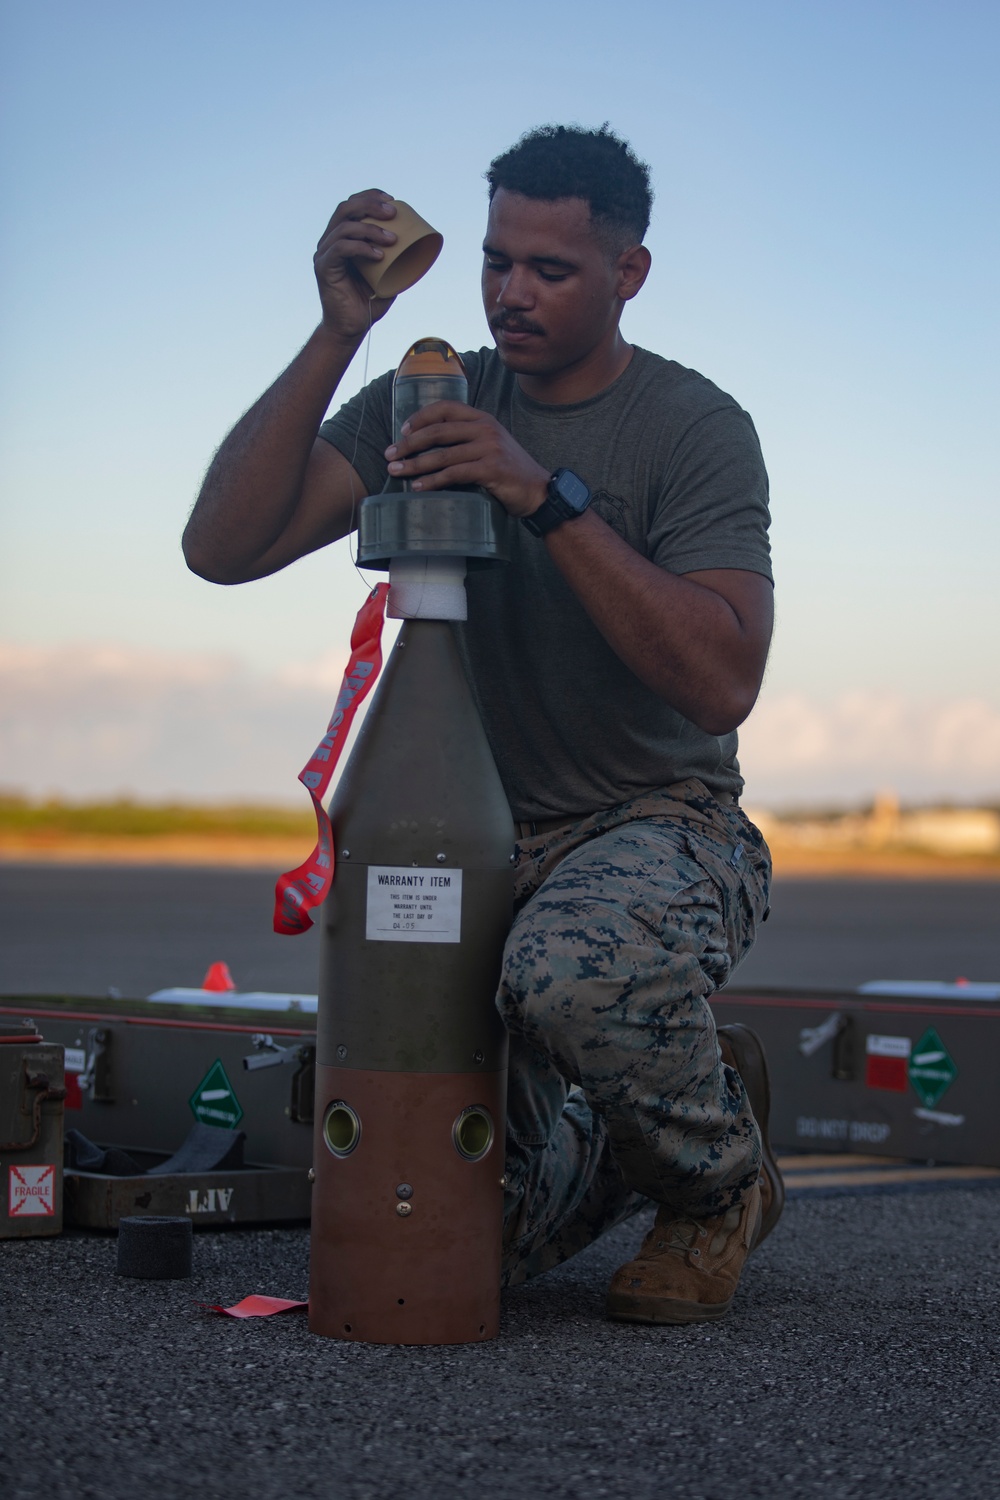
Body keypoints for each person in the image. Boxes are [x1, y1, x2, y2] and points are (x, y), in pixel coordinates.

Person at [183, 124, 783, 1325]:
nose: (511, 293)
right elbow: (224, 547)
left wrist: (535, 490)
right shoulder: (432, 391)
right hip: (477, 838)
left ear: (629, 273)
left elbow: (721, 682)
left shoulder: (689, 428)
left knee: (567, 977)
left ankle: (717, 1183)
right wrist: (338, 330)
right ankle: (655, 1114)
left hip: (654, 823)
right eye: (497, 259)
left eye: (551, 269)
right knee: (442, 1235)